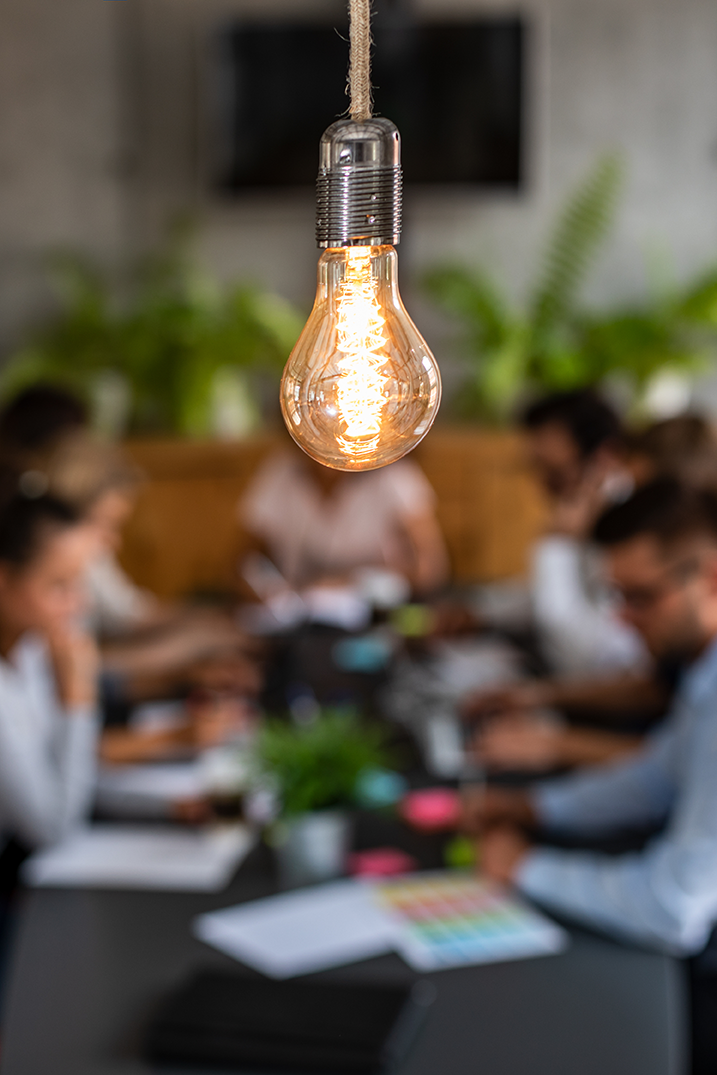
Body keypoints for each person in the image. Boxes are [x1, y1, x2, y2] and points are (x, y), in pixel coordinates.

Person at [463, 478, 717, 968]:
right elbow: (659, 775)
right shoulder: (703, 668)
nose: (623, 618)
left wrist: (523, 867)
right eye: (617, 596)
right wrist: (535, 807)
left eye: (641, 596)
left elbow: (671, 910)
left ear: (710, 578)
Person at [0, 473, 99, 905]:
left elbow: (52, 765)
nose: (77, 604)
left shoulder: (27, 649)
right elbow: (52, 828)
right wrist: (78, 698)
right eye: (58, 586)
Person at [240, 444, 449, 597]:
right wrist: (264, 592)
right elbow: (241, 560)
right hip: (297, 623)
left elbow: (431, 565)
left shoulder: (394, 474)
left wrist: (357, 582)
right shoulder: (282, 472)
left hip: (378, 619)